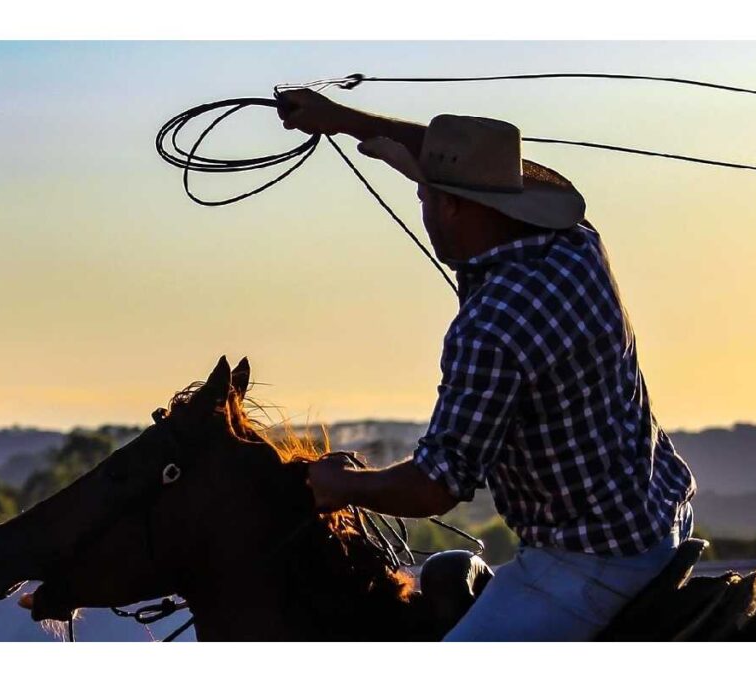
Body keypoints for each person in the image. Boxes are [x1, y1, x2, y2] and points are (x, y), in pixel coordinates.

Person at [277, 89, 697, 641]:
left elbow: (435, 486)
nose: (421, 205)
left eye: (425, 197)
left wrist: (341, 485)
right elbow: (442, 160)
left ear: (450, 206)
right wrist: (344, 119)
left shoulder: (490, 328)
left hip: (589, 562)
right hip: (658, 515)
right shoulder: (576, 244)